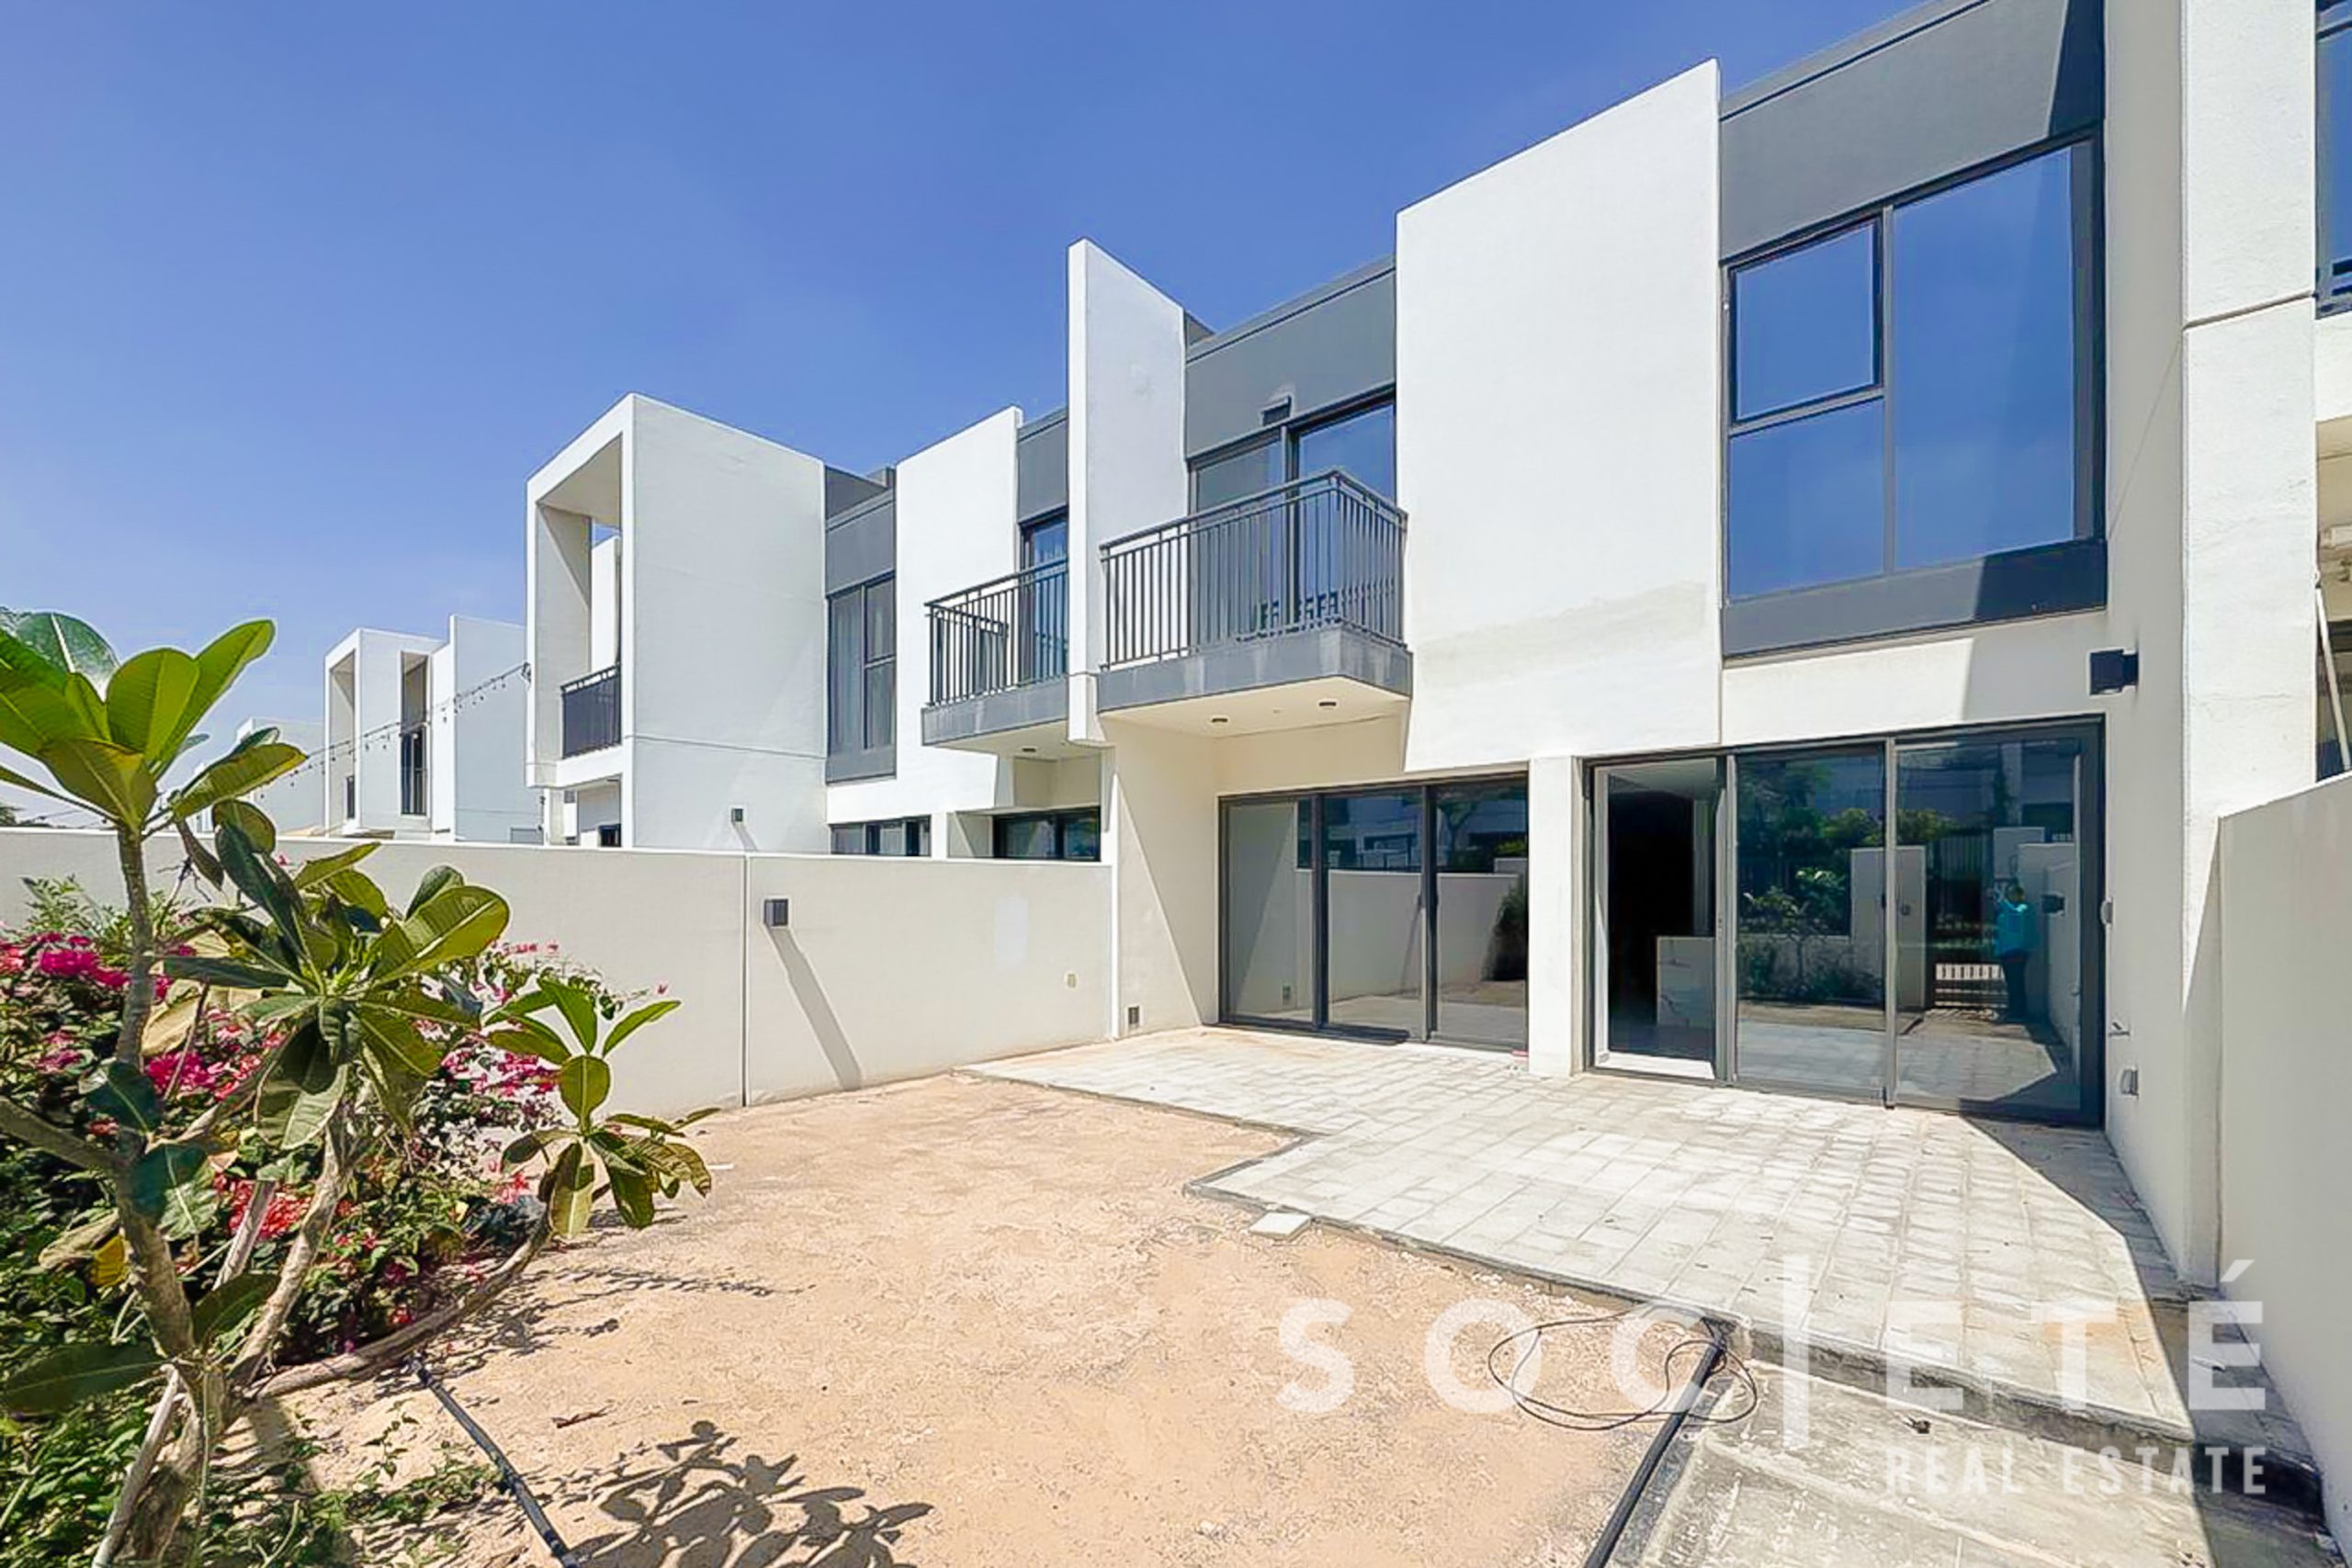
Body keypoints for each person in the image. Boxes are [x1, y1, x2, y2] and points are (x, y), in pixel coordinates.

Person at [1993, 881, 2037, 1022]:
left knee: (2016, 981)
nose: (2010, 896)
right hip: (2006, 950)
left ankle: (2018, 1011)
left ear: (2019, 895)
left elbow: (2015, 914)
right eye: (2009, 894)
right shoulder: (2007, 909)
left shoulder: (2023, 908)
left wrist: (2002, 900)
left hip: (2017, 950)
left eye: (2012, 894)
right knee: (2011, 982)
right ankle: (2013, 1008)